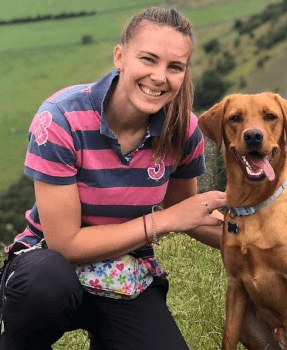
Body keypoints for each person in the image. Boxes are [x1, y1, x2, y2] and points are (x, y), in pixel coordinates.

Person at [0, 7, 227, 350]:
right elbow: (66, 244)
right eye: (148, 59)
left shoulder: (183, 131)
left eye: (174, 67)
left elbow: (186, 212)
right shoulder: (61, 118)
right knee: (46, 285)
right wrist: (161, 221)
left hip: (125, 274)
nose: (159, 77)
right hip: (50, 265)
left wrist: (269, 236)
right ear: (120, 56)